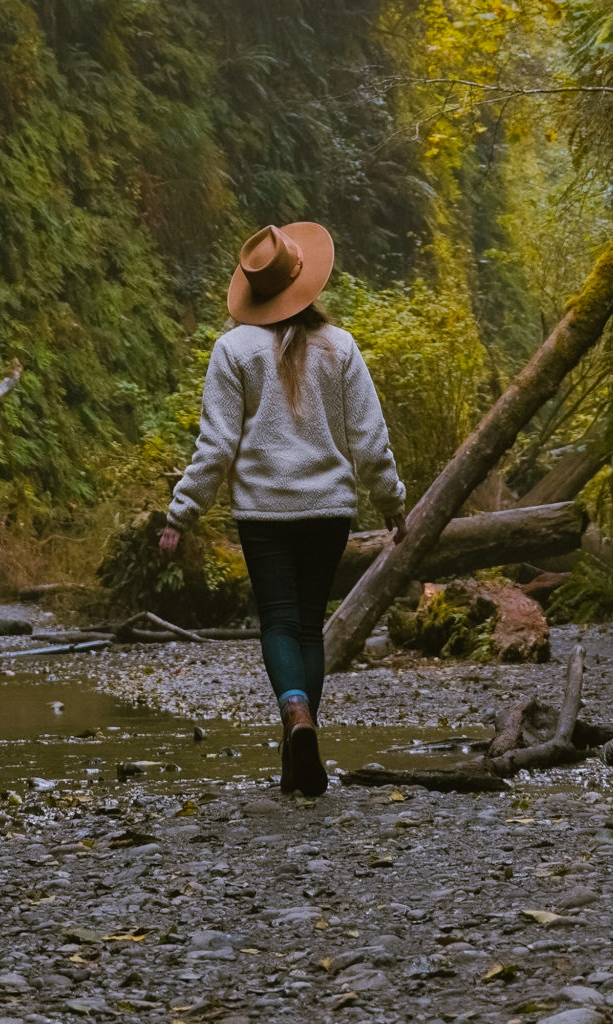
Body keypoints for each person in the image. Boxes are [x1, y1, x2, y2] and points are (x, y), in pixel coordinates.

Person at [158, 221, 407, 798]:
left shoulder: (231, 351)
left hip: (264, 512)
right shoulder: (340, 348)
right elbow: (369, 441)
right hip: (329, 511)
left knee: (277, 621)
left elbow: (216, 446)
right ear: (305, 281)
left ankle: (295, 715)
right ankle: (303, 740)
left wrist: (181, 513)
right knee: (309, 629)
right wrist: (393, 503)